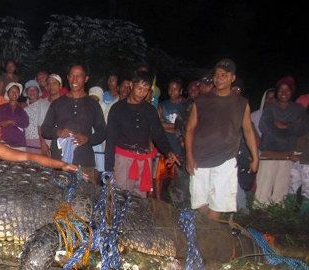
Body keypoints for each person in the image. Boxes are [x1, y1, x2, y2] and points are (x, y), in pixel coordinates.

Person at [185, 58, 258, 219]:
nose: (219, 78)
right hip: (200, 158)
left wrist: (255, 157)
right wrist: (189, 156)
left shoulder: (241, 103)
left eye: (224, 75)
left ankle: (209, 238)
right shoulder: (202, 100)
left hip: (225, 159)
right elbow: (189, 128)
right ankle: (208, 231)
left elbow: (248, 130)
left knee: (218, 203)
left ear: (232, 78)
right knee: (200, 203)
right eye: (217, 75)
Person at [105, 72, 179, 197]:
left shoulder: (150, 110)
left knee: (140, 202)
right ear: (131, 85)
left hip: (144, 161)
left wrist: (169, 152)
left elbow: (158, 134)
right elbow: (110, 139)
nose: (142, 92)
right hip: (123, 161)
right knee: (119, 198)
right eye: (139, 88)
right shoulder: (117, 109)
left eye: (146, 89)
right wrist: (109, 168)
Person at [41, 65, 106, 178]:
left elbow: (102, 132)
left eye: (79, 76)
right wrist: (58, 132)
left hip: (84, 162)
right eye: (71, 76)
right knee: (57, 195)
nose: (74, 80)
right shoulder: (58, 103)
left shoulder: (93, 104)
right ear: (67, 77)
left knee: (84, 195)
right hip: (59, 162)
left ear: (86, 79)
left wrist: (88, 139)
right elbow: (45, 129)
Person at [255, 76, 308, 206]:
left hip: (287, 156)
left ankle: (277, 219)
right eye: (281, 90)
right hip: (269, 154)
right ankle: (259, 219)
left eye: (287, 90)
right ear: (277, 91)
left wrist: (284, 125)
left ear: (292, 91)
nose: (284, 93)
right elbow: (265, 127)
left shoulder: (298, 109)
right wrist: (291, 127)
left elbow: (302, 129)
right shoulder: (270, 107)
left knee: (281, 191)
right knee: (263, 190)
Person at [0, 82, 29, 151]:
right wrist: (11, 122)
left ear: (19, 94)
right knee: (6, 162)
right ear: (7, 93)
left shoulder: (22, 107)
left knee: (21, 162)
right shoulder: (2, 107)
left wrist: (10, 122)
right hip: (6, 143)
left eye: (17, 92)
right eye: (12, 91)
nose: (14, 94)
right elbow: (0, 123)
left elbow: (26, 123)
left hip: (20, 144)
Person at [23, 80, 50, 155]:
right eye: (29, 90)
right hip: (28, 142)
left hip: (41, 142)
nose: (32, 92)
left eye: (34, 89)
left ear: (38, 92)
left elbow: (43, 125)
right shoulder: (25, 109)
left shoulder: (44, 104)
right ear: (26, 93)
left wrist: (43, 143)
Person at [88, 86, 109, 173]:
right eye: (91, 97)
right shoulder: (85, 105)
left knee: (98, 166)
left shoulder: (104, 106)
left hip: (98, 140)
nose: (93, 100)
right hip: (86, 138)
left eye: (95, 98)